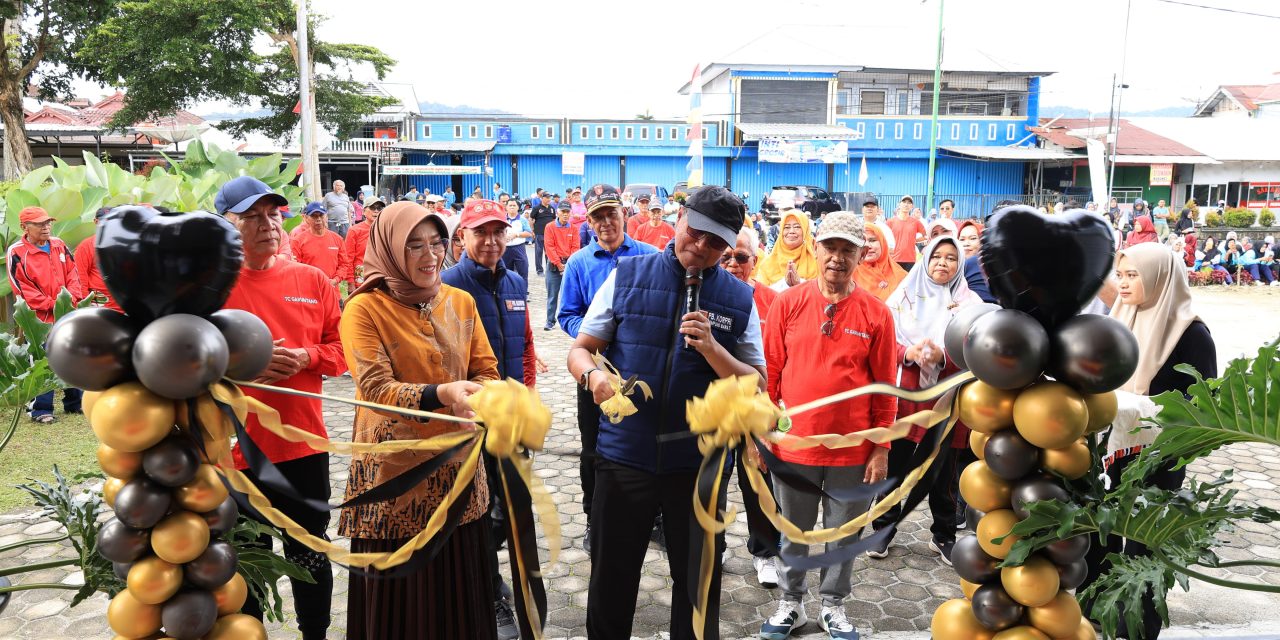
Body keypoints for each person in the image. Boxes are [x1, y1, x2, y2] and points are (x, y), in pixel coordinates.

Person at [566, 185, 766, 640]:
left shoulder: (739, 298)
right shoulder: (628, 274)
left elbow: (757, 382)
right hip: (623, 458)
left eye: (716, 243)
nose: (700, 248)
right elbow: (581, 350)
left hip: (699, 466)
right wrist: (594, 378)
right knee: (612, 578)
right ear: (678, 219)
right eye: (694, 233)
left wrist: (714, 350)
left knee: (697, 585)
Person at [338, 201, 500, 640]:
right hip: (393, 480)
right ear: (390, 249)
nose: (430, 256)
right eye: (414, 246)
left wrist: (482, 397)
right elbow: (375, 389)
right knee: (403, 606)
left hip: (459, 473)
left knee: (457, 593)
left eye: (436, 243)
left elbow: (486, 368)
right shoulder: (364, 310)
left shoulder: (461, 302)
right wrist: (443, 394)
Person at [214, 176, 346, 640]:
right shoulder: (208, 290)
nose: (267, 224)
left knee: (310, 553)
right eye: (252, 216)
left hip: (303, 447)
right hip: (232, 454)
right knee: (244, 557)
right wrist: (238, 370)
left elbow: (342, 349)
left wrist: (307, 357)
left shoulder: (313, 281)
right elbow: (182, 366)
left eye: (273, 214)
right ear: (225, 224)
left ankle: (316, 633)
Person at [759, 212, 894, 640]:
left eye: (847, 250)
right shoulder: (788, 303)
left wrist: (881, 446)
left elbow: (885, 386)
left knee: (843, 532)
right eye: (830, 248)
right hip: (795, 444)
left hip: (852, 449)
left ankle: (833, 606)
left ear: (861, 255)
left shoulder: (876, 314)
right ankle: (791, 604)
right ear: (816, 249)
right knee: (793, 531)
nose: (837, 258)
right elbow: (770, 373)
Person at [1081, 243, 1217, 640]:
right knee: (1099, 535)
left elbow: (1200, 409)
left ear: (1160, 278)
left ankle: (1136, 628)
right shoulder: (1118, 320)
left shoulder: (1192, 334)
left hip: (1158, 459)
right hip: (1109, 452)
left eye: (1132, 276)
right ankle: (1090, 616)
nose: (1121, 284)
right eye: (1119, 275)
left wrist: (1135, 407)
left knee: (1143, 547)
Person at [440, 198, 540, 640]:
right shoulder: (446, 287)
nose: (491, 241)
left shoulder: (517, 281)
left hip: (512, 420)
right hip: (467, 424)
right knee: (478, 513)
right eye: (481, 232)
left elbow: (527, 347)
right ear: (462, 236)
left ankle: (487, 580)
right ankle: (488, 593)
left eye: (499, 231)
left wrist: (529, 402)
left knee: (512, 511)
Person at [867, 236, 979, 564]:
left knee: (942, 471)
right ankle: (883, 529)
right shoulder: (903, 295)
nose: (942, 263)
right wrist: (908, 353)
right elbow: (884, 343)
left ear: (960, 264)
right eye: (936, 257)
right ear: (926, 259)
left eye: (950, 258)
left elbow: (975, 350)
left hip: (947, 397)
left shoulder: (968, 303)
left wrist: (944, 357)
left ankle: (943, 534)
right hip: (906, 395)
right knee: (896, 465)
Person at [557, 184, 657, 550]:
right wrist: (592, 331)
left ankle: (650, 518)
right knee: (593, 448)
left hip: (639, 370)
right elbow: (566, 314)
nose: (605, 223)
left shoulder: (650, 257)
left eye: (611, 214)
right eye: (597, 216)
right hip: (594, 369)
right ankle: (593, 518)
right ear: (590, 222)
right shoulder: (580, 263)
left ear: (624, 215)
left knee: (645, 442)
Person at [719, 228, 784, 589]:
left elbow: (782, 359)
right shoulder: (703, 295)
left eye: (741, 257)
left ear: (755, 262)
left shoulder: (773, 301)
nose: (732, 264)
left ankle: (765, 552)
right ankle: (713, 545)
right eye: (725, 257)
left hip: (760, 409)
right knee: (711, 482)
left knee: (760, 484)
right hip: (714, 408)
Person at [7, 206, 84, 423]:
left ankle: (74, 403)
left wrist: (70, 301)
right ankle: (40, 409)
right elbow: (22, 289)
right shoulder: (17, 252)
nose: (46, 227)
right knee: (41, 361)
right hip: (38, 318)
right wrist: (53, 305)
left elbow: (73, 273)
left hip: (66, 313)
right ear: (25, 227)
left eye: (47, 222)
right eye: (40, 224)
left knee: (71, 357)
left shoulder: (59, 245)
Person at [291, 201, 354, 292]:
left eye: (321, 215)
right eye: (314, 216)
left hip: (333, 292)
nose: (318, 219)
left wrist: (335, 280)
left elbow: (344, 264)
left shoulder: (337, 239)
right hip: (309, 292)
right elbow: (296, 267)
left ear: (326, 217)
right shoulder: (298, 240)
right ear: (306, 218)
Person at [756, 210, 818, 290]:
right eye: (787, 227)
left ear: (805, 230)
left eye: (797, 227)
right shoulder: (768, 263)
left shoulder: (817, 262)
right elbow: (761, 295)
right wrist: (784, 285)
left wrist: (799, 285)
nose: (791, 231)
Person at [74, 207, 121, 312]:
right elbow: (80, 279)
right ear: (96, 221)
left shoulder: (122, 244)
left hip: (122, 304)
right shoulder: (86, 246)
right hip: (99, 305)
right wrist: (85, 305)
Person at [543, 201, 580, 331]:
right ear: (557, 212)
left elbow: (576, 247)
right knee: (552, 294)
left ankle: (570, 320)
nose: (565, 214)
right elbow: (549, 247)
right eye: (563, 211)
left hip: (569, 264)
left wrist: (568, 264)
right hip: (554, 265)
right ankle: (550, 321)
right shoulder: (550, 227)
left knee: (571, 293)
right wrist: (558, 264)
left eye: (567, 212)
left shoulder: (574, 228)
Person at [853, 223, 908, 302]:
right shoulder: (848, 276)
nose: (868, 245)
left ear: (883, 243)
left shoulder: (901, 276)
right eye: (862, 241)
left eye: (872, 240)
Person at [345, 196, 385, 287]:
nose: (376, 211)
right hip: (361, 277)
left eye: (379, 208)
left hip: (381, 276)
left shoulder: (385, 229)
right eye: (372, 208)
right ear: (363, 211)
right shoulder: (354, 230)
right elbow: (348, 258)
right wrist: (350, 282)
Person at [498, 198, 534, 283]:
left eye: (514, 205)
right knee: (505, 273)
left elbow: (529, 233)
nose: (512, 207)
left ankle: (523, 292)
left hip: (519, 248)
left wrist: (517, 235)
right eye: (510, 205)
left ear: (518, 207)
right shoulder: (502, 219)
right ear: (506, 207)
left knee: (523, 271)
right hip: (505, 249)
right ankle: (507, 293)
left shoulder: (522, 219)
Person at [886, 196, 925, 270]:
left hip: (910, 260)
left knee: (908, 281)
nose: (906, 204)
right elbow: (883, 238)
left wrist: (914, 240)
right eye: (904, 202)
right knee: (895, 281)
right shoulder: (890, 222)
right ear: (899, 204)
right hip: (893, 259)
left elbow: (926, 235)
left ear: (912, 206)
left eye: (909, 203)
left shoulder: (916, 222)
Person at [529, 192, 556, 276]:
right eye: (547, 197)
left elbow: (554, 220)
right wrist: (532, 230)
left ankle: (549, 269)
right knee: (539, 252)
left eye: (550, 198)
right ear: (542, 198)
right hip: (539, 233)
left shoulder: (552, 208)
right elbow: (531, 219)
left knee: (549, 252)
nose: (548, 199)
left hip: (550, 234)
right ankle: (539, 270)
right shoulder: (537, 208)